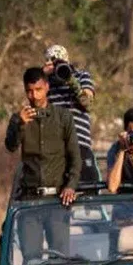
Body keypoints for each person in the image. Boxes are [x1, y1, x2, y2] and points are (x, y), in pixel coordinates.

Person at [5, 67, 81, 261]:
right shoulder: (18, 118)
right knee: (31, 259)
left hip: (57, 199)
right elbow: (11, 146)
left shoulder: (63, 117)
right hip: (30, 201)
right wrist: (20, 125)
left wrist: (71, 186)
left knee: (60, 258)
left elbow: (75, 156)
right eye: (30, 91)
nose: (34, 95)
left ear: (46, 87)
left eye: (38, 89)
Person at [43, 44, 98, 183]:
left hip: (80, 144)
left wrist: (70, 80)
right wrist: (42, 75)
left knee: (88, 187)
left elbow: (88, 103)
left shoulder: (81, 76)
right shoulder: (45, 83)